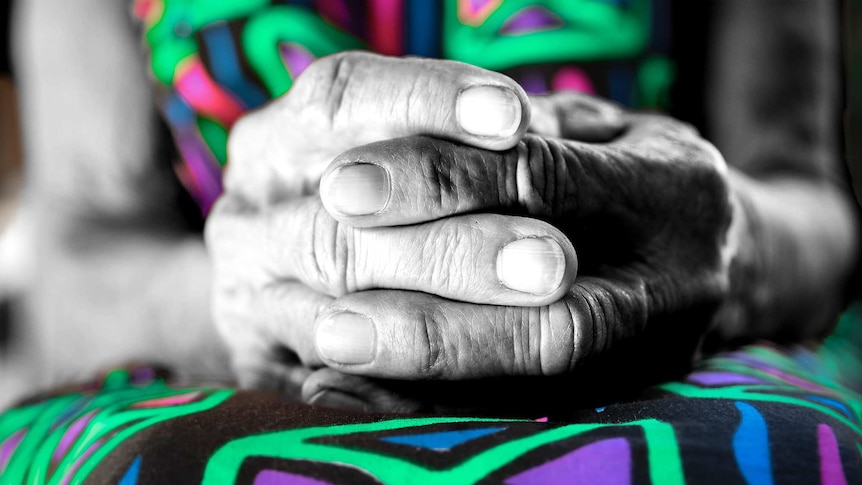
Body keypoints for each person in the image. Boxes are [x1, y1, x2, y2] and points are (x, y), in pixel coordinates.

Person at [1, 0, 860, 482]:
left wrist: (725, 240)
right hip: (234, 371)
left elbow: (814, 215)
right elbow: (78, 264)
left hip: (679, 349)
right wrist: (242, 297)